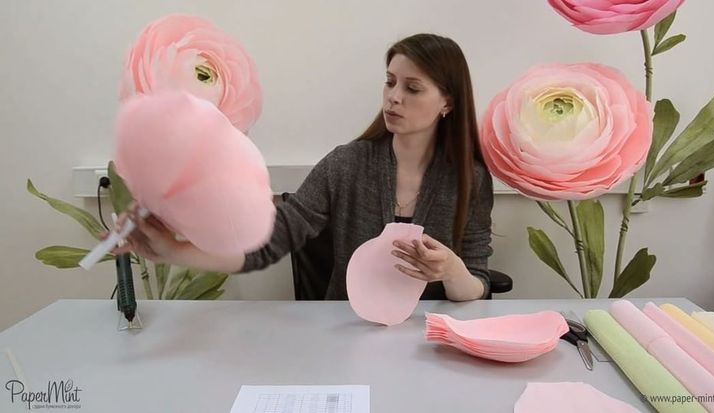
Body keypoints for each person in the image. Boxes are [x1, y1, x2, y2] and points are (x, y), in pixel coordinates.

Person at [113, 33, 494, 301]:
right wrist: (175, 250)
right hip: (346, 337)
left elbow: (476, 284)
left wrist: (452, 271)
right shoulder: (346, 165)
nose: (393, 98)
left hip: (429, 344)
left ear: (447, 102)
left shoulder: (469, 180)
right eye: (390, 82)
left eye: (412, 88)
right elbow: (268, 241)